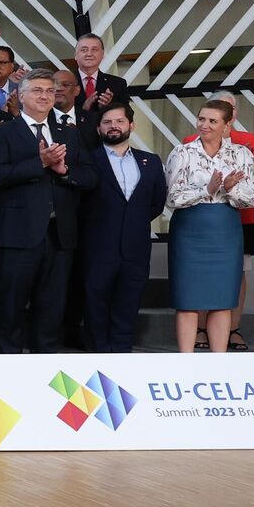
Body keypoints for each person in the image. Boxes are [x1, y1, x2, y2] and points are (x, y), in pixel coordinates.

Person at [0, 69, 97, 353]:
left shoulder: (68, 133)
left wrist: (65, 170)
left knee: (52, 305)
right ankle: (9, 361)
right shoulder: (3, 133)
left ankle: (44, 364)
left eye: (50, 90)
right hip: (17, 234)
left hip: (60, 235)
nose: (45, 95)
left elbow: (90, 176)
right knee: (11, 304)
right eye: (37, 90)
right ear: (21, 96)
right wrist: (40, 163)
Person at [164, 100, 254, 353]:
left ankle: (218, 362)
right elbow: (172, 197)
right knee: (187, 300)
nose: (204, 125)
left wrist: (230, 188)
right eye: (201, 119)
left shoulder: (242, 154)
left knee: (222, 300)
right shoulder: (182, 152)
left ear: (227, 124)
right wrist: (206, 190)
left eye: (212, 121)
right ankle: (186, 359)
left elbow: (253, 198)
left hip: (225, 231)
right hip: (189, 230)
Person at [83, 103, 166, 353]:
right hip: (97, 247)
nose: (113, 126)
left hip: (135, 247)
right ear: (98, 129)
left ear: (131, 125)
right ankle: (97, 356)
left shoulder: (150, 161)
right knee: (95, 305)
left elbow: (156, 203)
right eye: (107, 122)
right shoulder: (87, 159)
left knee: (128, 303)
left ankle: (122, 354)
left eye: (119, 121)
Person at [72, 33, 129, 129]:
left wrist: (108, 107)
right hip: (74, 138)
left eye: (94, 49)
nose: (89, 54)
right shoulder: (65, 83)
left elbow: (128, 114)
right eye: (84, 50)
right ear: (75, 55)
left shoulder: (117, 83)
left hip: (107, 138)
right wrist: (84, 109)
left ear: (102, 54)